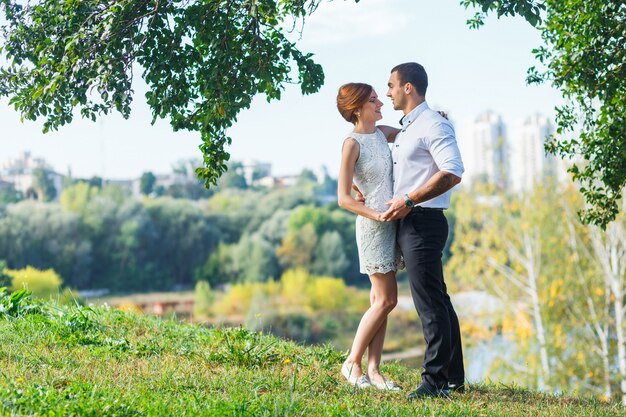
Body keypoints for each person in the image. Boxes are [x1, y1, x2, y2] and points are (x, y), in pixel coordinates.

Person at [381, 62, 466, 399]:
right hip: (412, 220)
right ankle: (453, 379)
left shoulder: (433, 124)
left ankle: (433, 382)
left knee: (429, 305)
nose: (387, 92)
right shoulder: (409, 129)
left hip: (423, 222)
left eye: (390, 85)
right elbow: (389, 138)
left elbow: (453, 171)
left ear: (408, 88)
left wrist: (409, 200)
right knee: (439, 302)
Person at [336, 82, 403, 391]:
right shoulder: (351, 144)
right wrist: (376, 214)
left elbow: (409, 132)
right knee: (388, 299)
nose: (381, 104)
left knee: (380, 301)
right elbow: (343, 199)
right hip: (373, 226)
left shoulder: (381, 133)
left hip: (390, 223)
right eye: (374, 101)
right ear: (357, 108)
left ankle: (374, 371)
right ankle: (352, 362)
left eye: (379, 99)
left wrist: (436, 117)